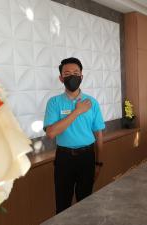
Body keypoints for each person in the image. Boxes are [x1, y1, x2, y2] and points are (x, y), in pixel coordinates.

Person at [43, 57, 105, 214]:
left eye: (76, 73)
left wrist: (98, 163)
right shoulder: (54, 103)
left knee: (86, 204)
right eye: (67, 73)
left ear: (82, 77)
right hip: (64, 159)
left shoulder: (92, 102)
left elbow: (99, 135)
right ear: (61, 78)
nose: (72, 76)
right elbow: (51, 133)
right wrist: (77, 111)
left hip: (87, 157)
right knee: (62, 205)